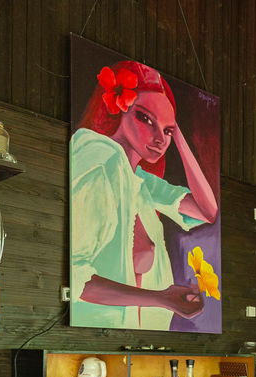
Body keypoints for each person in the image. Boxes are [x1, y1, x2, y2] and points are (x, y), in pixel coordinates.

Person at [70, 60, 219, 329]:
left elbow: (208, 211)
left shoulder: (141, 182)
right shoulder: (100, 162)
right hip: (99, 331)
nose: (160, 139)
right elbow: (76, 277)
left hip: (139, 334)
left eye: (167, 130)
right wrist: (161, 299)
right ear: (119, 109)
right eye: (146, 119)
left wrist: (177, 135)